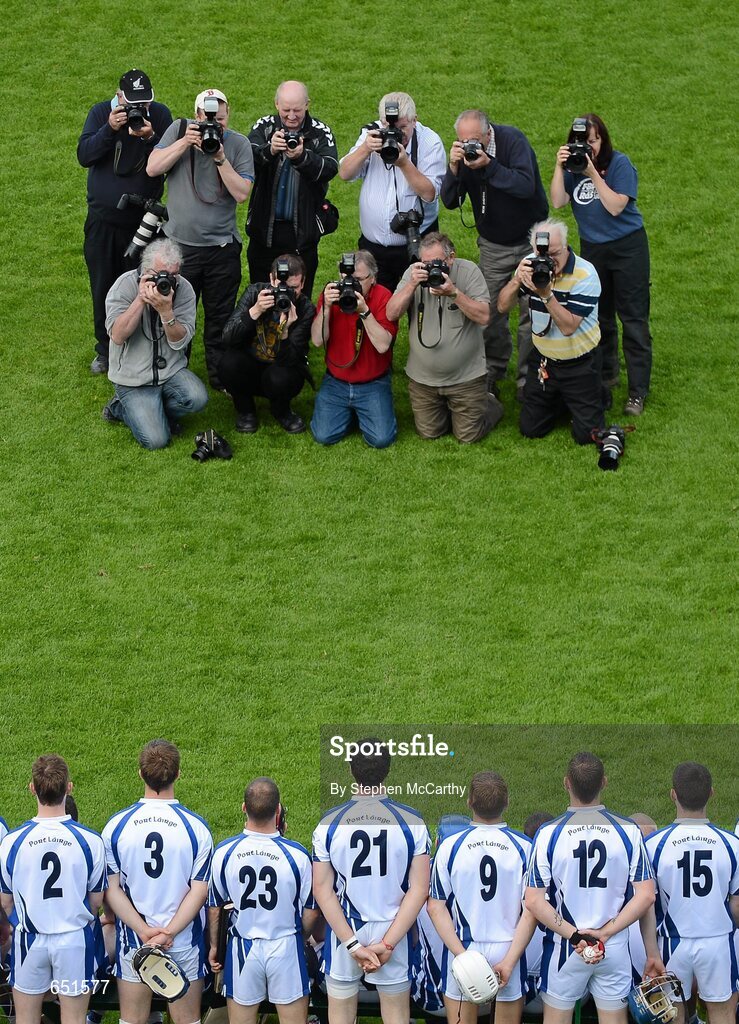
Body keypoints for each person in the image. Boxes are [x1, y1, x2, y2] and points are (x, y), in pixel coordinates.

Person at [525, 751, 659, 1024]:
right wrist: (605, 934)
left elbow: (534, 901)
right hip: (613, 947)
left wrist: (575, 936)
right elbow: (646, 896)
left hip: (565, 948)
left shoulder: (549, 833)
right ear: (604, 783)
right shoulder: (628, 830)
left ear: (566, 784)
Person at [312, 741, 431, 1024]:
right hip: (393, 929)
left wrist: (352, 945)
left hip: (345, 930)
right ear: (388, 769)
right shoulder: (412, 821)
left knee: (340, 1017)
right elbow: (419, 889)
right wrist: (388, 945)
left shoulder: (328, 823)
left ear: (351, 770)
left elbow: (322, 890)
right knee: (397, 1017)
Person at [147, 89, 254, 389]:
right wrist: (185, 142)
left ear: (228, 115)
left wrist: (220, 157)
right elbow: (153, 167)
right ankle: (176, 374)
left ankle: (219, 379)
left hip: (221, 249)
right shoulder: (179, 130)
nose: (214, 126)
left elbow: (242, 193)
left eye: (220, 119)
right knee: (179, 312)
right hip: (179, 249)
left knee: (220, 316)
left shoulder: (238, 144)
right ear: (196, 116)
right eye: (208, 119)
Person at [101, 739, 213, 1024]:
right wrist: (168, 934)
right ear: (178, 774)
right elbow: (199, 891)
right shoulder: (196, 829)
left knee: (132, 1021)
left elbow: (111, 890)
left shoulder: (117, 827)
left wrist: (144, 932)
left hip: (134, 943)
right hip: (184, 942)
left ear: (141, 774)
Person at [440, 110, 548, 400]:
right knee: (490, 313)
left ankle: (528, 380)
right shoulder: (464, 156)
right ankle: (492, 372)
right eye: (463, 141)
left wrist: (490, 165)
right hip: (493, 245)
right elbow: (450, 201)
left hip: (530, 242)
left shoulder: (514, 142)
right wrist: (452, 168)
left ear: (488, 135)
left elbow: (526, 186)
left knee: (533, 313)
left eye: (474, 140)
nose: (469, 147)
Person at [551, 115, 652, 416]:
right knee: (601, 317)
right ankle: (608, 375)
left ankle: (638, 392)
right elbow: (557, 202)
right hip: (594, 249)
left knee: (633, 320)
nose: (587, 147)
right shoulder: (571, 168)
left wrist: (593, 173)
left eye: (592, 141)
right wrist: (560, 167)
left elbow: (616, 205)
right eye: (581, 142)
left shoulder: (619, 164)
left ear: (603, 141)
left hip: (628, 247)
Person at [78, 70, 173, 375]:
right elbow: (85, 155)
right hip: (103, 223)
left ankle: (145, 346)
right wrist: (109, 129)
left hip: (144, 223)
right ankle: (106, 349)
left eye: (144, 102)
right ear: (119, 96)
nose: (139, 110)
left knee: (145, 285)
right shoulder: (99, 113)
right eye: (133, 103)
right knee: (103, 286)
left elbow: (171, 160)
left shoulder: (159, 115)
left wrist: (151, 138)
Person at [0, 755, 106, 1024]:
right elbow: (95, 901)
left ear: (32, 788)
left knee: (25, 1020)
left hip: (29, 941)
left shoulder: (12, 842)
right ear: (68, 788)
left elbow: (6, 901)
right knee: (74, 1020)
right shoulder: (90, 841)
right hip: (73, 941)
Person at [427, 772, 536, 1024]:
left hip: (464, 946)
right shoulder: (525, 847)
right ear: (507, 802)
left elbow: (435, 907)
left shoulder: (450, 846)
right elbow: (531, 909)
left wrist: (462, 956)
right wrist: (509, 961)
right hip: (509, 947)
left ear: (469, 802)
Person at [208, 777, 318, 1024]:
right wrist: (298, 938)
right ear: (278, 810)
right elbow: (311, 911)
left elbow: (215, 908)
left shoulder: (224, 852)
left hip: (242, 948)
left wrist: (215, 947)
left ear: (243, 808)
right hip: (285, 946)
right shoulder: (297, 855)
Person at [644, 763, 739, 1024]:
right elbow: (737, 906)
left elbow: (647, 903)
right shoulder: (732, 844)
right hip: (718, 943)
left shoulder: (653, 846)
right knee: (721, 1012)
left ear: (673, 794)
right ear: (712, 793)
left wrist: (652, 950)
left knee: (674, 1013)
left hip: (672, 942)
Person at [387, 231, 503, 443]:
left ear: (451, 257)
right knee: (429, 433)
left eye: (437, 262)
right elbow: (391, 314)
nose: (432, 268)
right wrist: (411, 285)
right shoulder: (414, 273)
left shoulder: (469, 272)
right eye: (426, 263)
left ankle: (490, 400)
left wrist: (454, 293)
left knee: (468, 436)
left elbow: (484, 316)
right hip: (423, 379)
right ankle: (455, 410)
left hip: (465, 377)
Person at [498, 220, 605, 446]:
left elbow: (568, 327)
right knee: (530, 428)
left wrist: (546, 294)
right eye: (542, 253)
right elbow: (502, 307)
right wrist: (517, 279)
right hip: (544, 361)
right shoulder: (530, 264)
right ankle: (565, 400)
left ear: (566, 247)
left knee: (586, 435)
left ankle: (594, 394)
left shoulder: (585, 274)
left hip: (580, 363)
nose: (548, 260)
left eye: (554, 253)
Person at [102, 238, 208, 449]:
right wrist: (140, 300)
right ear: (146, 271)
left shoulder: (183, 289)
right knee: (157, 440)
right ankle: (119, 407)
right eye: (161, 275)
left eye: (173, 275)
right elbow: (117, 336)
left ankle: (151, 411)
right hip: (133, 379)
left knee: (198, 398)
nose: (167, 281)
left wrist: (166, 312)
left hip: (170, 371)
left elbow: (181, 343)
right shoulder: (124, 285)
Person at [338, 92, 446, 292]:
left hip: (417, 243)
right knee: (376, 309)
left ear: (415, 120)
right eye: (391, 128)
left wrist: (404, 163)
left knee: (420, 303)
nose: (397, 134)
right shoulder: (372, 135)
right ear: (382, 122)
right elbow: (344, 174)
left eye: (403, 127)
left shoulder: (430, 142)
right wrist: (364, 149)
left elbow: (429, 193)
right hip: (373, 247)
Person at [246, 80, 339, 299]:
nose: (291, 116)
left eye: (297, 110)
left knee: (299, 299)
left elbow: (330, 168)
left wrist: (302, 157)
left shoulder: (320, 132)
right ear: (276, 104)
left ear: (307, 104)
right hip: (264, 232)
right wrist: (269, 150)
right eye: (286, 109)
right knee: (261, 297)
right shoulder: (264, 126)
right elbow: (246, 161)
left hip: (302, 234)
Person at [310, 251, 399, 448]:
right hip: (336, 381)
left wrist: (365, 312)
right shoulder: (331, 294)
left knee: (381, 439)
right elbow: (317, 341)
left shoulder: (384, 296)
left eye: (358, 279)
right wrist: (325, 307)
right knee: (323, 436)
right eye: (345, 278)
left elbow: (383, 345)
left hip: (373, 382)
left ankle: (355, 412)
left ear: (373, 278)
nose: (350, 284)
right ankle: (350, 413)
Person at [220, 254, 316, 434]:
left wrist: (286, 331)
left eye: (293, 288)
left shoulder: (305, 308)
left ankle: (282, 411)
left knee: (281, 377)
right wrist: (255, 311)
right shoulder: (254, 293)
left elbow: (294, 359)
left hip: (281, 371)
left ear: (303, 284)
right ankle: (245, 410)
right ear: (271, 279)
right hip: (251, 366)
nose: (286, 293)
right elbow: (227, 338)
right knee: (228, 363)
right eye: (281, 286)